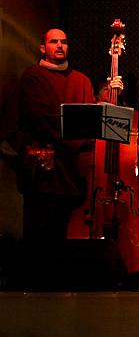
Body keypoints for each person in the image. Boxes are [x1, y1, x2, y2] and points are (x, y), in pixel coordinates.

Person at [14, 28, 95, 239]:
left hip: (72, 174)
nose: (60, 45)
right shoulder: (33, 76)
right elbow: (43, 119)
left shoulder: (81, 80)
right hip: (43, 174)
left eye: (64, 42)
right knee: (38, 238)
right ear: (43, 48)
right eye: (54, 41)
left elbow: (92, 121)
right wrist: (80, 135)